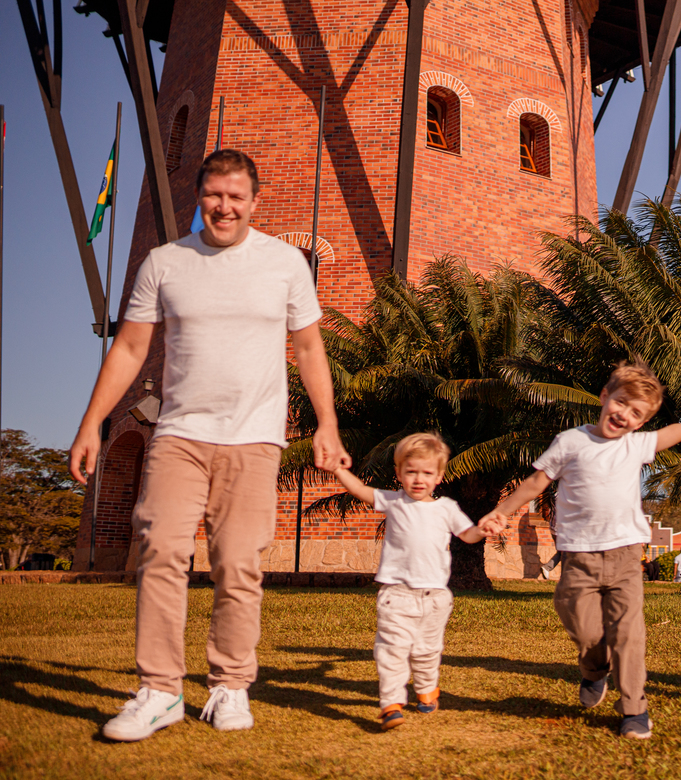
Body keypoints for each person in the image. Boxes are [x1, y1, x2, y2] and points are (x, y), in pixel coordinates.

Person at [69, 149, 350, 742]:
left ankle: (229, 686)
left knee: (238, 565)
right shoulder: (165, 263)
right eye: (214, 195)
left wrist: (326, 423)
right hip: (179, 433)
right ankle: (160, 690)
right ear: (200, 197)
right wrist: (92, 422)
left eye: (236, 196)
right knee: (161, 552)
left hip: (253, 438)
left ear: (254, 201)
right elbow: (129, 349)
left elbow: (308, 349)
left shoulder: (284, 264)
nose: (225, 206)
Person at [480, 361, 681, 739]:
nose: (625, 415)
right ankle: (594, 669)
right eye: (622, 403)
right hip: (578, 556)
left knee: (629, 633)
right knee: (582, 628)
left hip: (626, 554)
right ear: (604, 396)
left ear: (643, 421)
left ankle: (634, 708)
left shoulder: (637, 445)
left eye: (637, 413)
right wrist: (501, 512)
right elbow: (535, 481)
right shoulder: (571, 442)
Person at [333, 432, 483, 730]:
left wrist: (486, 527)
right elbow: (361, 489)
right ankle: (391, 703)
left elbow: (469, 535)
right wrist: (337, 469)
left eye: (427, 473)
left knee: (426, 652)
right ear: (399, 473)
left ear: (439, 476)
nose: (418, 479)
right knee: (391, 650)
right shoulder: (393, 502)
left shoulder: (446, 509)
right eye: (411, 471)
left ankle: (427, 688)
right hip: (396, 595)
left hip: (435, 598)